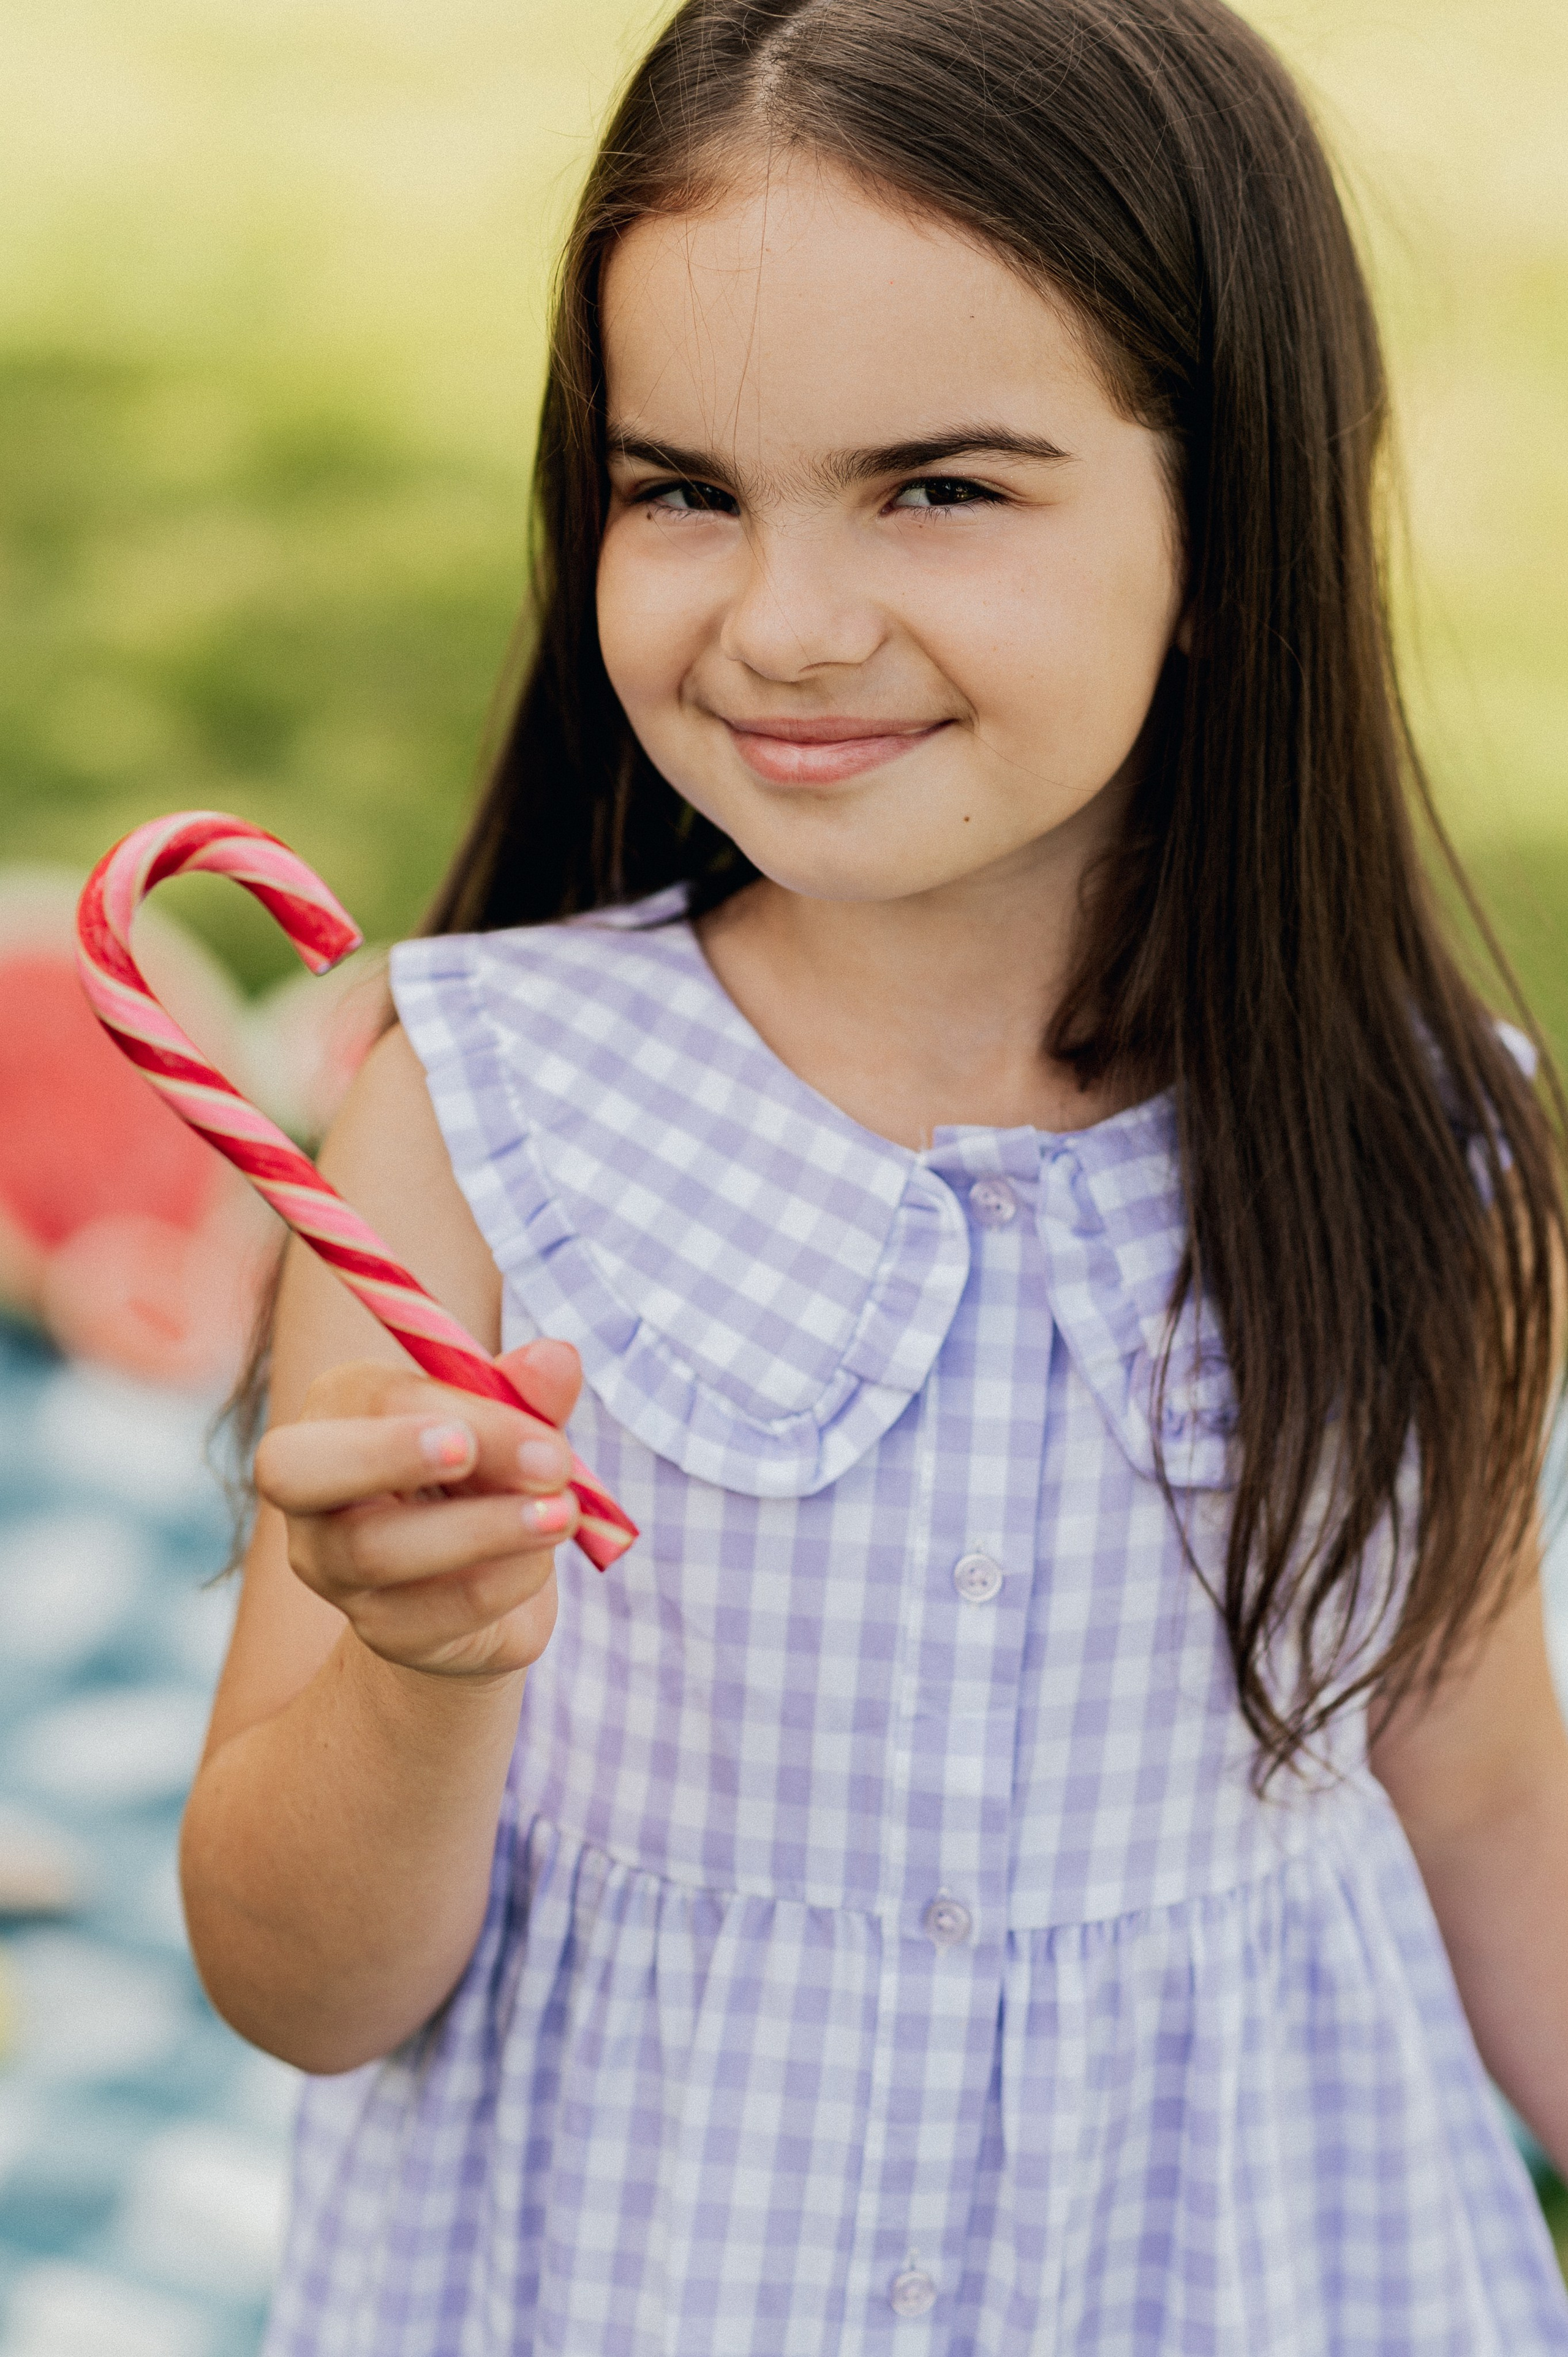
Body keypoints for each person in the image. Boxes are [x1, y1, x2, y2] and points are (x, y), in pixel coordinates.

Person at [180, 1, 1568, 2347]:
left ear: (1226, 528)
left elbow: (1493, 1805)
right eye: (683, 489)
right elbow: (304, 1988)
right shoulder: (485, 1115)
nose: (787, 623)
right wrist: (420, 1674)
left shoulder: (1419, 1160)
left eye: (937, 485)